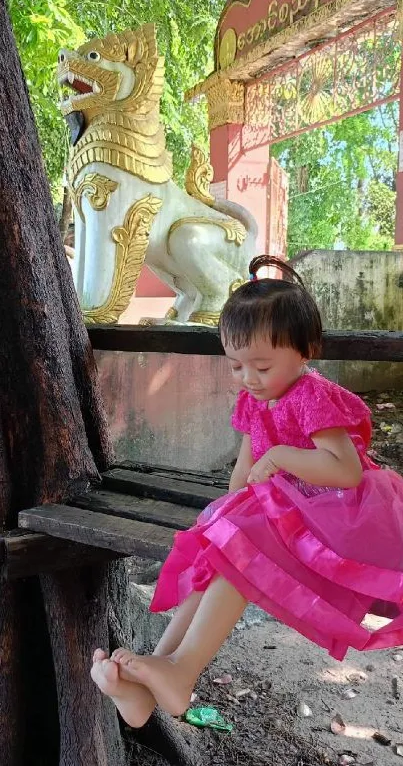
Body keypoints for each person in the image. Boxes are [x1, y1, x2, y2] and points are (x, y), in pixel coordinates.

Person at [91, 254, 403, 728]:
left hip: (343, 515)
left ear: (305, 351)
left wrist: (278, 459)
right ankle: (147, 688)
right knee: (219, 545)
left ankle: (179, 670)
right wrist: (223, 513)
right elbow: (243, 470)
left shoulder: (310, 395)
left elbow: (345, 472)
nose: (248, 379)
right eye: (236, 365)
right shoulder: (254, 400)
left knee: (241, 548)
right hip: (291, 511)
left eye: (260, 366)